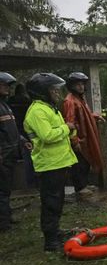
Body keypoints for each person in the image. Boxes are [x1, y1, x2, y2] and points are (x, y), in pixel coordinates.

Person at [24, 73, 77, 251]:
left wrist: (70, 132)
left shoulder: (49, 108)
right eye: (53, 89)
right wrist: (66, 127)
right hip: (49, 164)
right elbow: (47, 135)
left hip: (59, 162)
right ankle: (51, 240)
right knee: (51, 202)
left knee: (57, 199)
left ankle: (55, 231)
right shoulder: (38, 111)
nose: (57, 93)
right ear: (42, 92)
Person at [62, 72, 104, 196]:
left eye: (82, 84)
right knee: (79, 164)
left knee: (85, 163)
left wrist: (95, 116)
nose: (81, 87)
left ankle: (84, 185)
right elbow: (70, 122)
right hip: (79, 138)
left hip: (86, 137)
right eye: (77, 84)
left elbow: (84, 115)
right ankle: (80, 188)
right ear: (71, 86)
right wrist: (74, 141)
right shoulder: (69, 101)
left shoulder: (80, 99)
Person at [0, 73, 32, 232]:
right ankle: (3, 224)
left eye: (8, 86)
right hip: (3, 156)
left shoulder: (6, 105)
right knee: (2, 191)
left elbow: (11, 129)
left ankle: (6, 217)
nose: (7, 88)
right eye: (4, 85)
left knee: (6, 190)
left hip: (10, 154)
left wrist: (21, 140)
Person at [7, 83, 36, 187]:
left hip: (14, 131)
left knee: (14, 159)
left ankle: (19, 184)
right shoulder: (28, 101)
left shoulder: (9, 102)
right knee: (29, 157)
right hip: (27, 132)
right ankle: (32, 183)